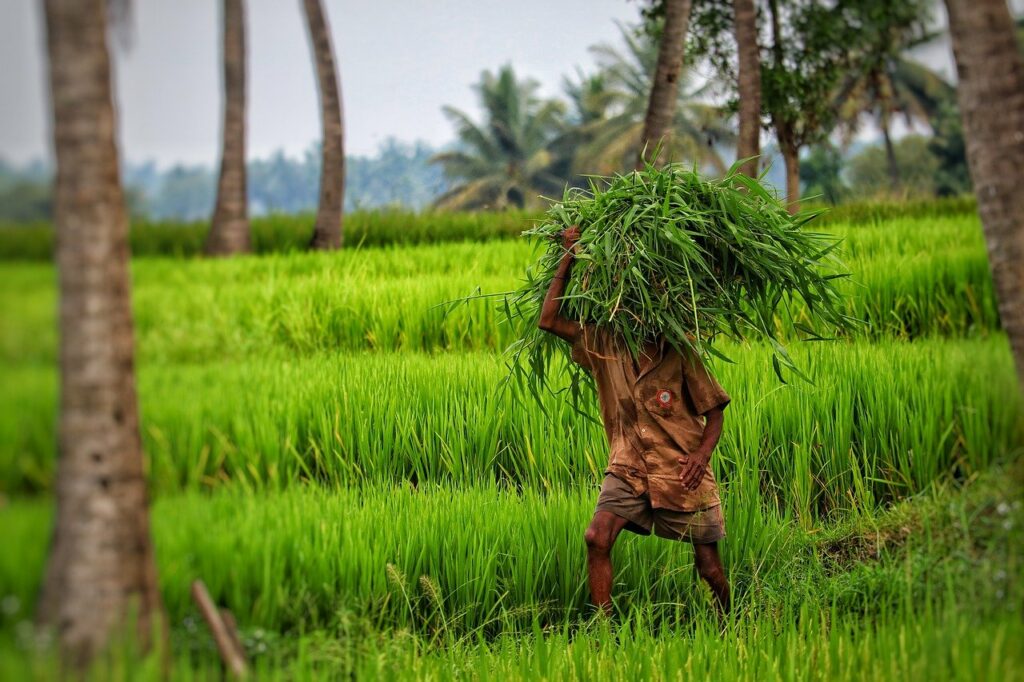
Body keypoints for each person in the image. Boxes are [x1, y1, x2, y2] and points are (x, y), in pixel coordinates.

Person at [538, 225, 731, 615]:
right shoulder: (604, 344)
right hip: (628, 466)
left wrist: (701, 456)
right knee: (596, 537)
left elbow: (714, 412)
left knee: (708, 568)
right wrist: (570, 255)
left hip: (681, 469)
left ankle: (733, 621)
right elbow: (549, 320)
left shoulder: (679, 350)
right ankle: (608, 632)